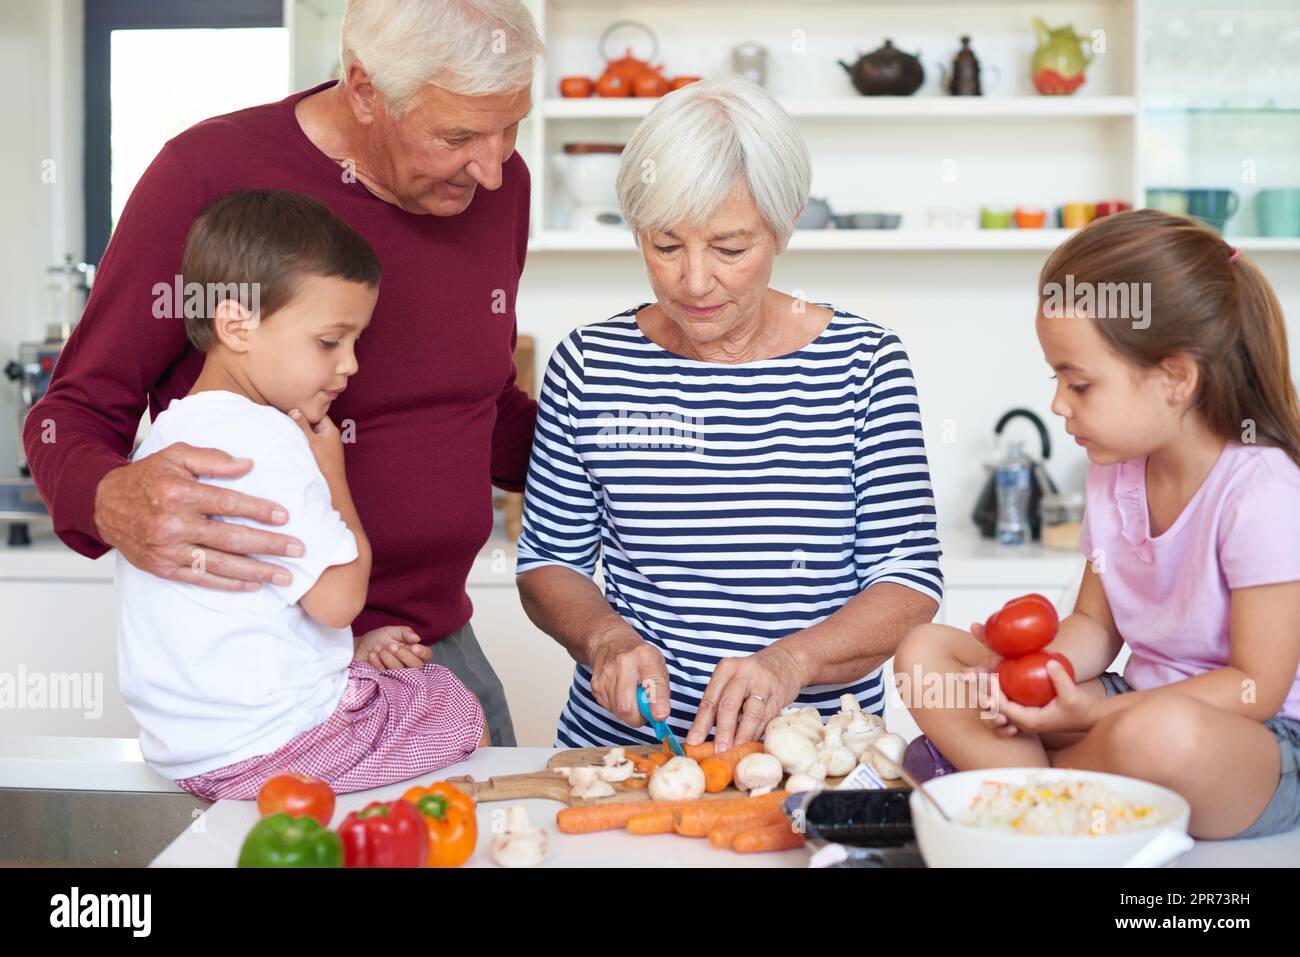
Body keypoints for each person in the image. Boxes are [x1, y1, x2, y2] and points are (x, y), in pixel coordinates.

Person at [27, 0, 546, 747]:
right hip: (270, 684)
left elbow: (480, 403)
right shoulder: (207, 174)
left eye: (512, 127)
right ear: (365, 88)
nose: (493, 169)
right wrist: (107, 498)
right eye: (459, 135)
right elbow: (72, 410)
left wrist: (638, 442)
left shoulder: (496, 188)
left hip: (435, 650)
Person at [515, 78, 943, 752]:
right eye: (664, 245)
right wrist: (607, 639)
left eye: (730, 248)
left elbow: (907, 579)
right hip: (624, 752)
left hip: (814, 757)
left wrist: (790, 663)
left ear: (786, 222)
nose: (693, 281)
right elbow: (547, 562)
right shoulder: (589, 365)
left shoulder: (864, 364)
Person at [896, 209, 1300, 840]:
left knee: (1156, 735)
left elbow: (1258, 688)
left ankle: (1012, 789)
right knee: (925, 653)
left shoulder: (1263, 489)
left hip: (1252, 744)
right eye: (1056, 378)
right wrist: (1032, 678)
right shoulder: (1115, 470)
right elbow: (1094, 626)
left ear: (1175, 378)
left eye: (1079, 383)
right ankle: (1045, 794)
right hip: (1123, 703)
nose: (1058, 404)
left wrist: (1088, 710)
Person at [120, 190, 486, 801]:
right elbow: (337, 601)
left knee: (384, 670)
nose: (350, 366)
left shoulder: (167, 434)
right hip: (277, 750)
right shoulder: (270, 437)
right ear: (237, 324)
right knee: (453, 702)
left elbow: (255, 613)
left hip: (187, 752)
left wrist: (349, 653)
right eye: (329, 342)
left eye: (355, 343)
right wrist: (333, 473)